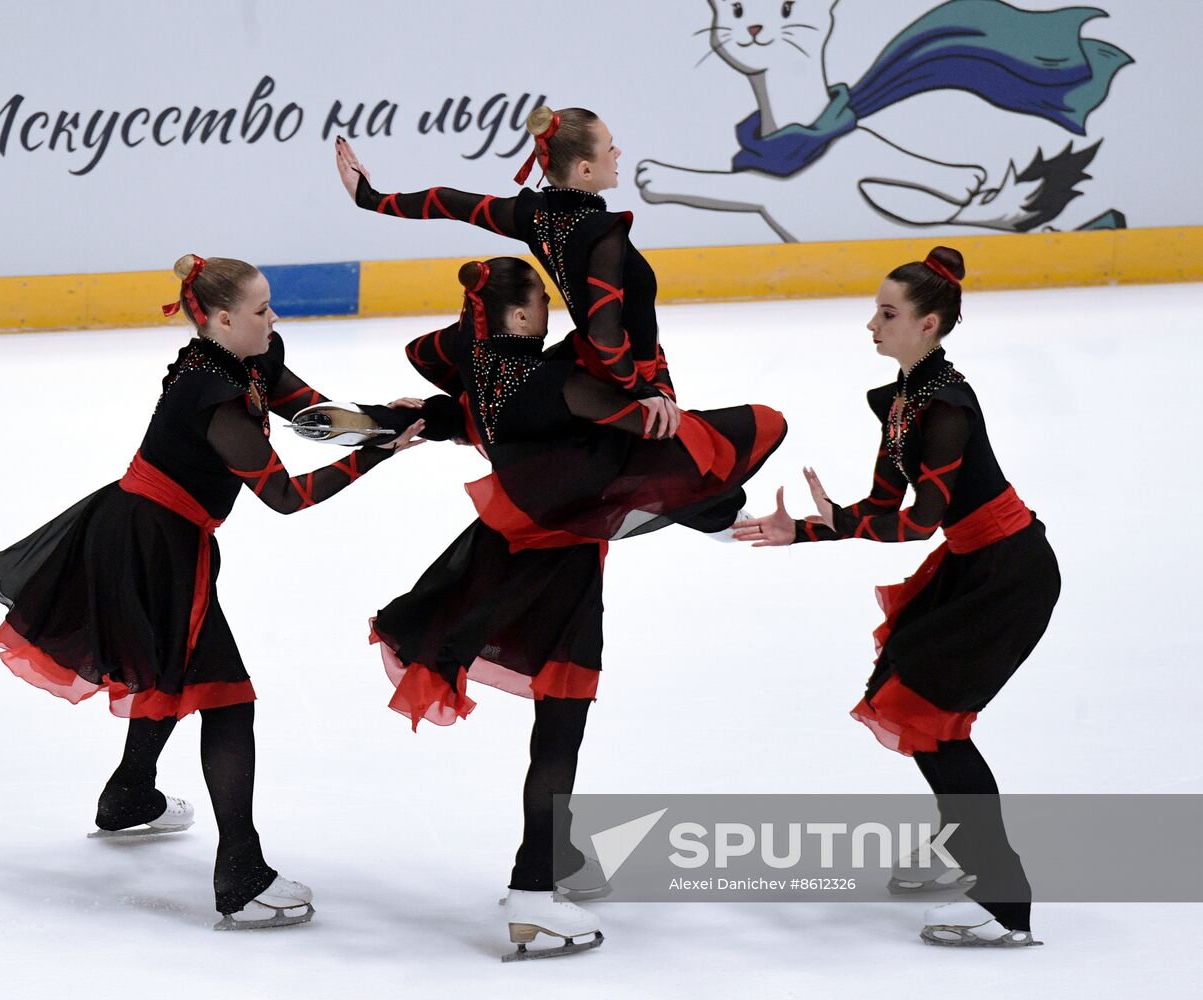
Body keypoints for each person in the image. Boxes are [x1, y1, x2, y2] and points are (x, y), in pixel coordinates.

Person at [0, 254, 423, 930]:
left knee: (168, 671)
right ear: (220, 319)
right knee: (225, 697)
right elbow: (286, 495)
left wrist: (383, 423)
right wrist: (376, 455)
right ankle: (241, 876)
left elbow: (311, 412)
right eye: (259, 310)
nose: (273, 318)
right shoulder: (210, 396)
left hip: (162, 537)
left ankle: (130, 795)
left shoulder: (249, 359)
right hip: (147, 545)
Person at [371, 257, 783, 960]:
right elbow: (636, 428)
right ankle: (534, 892)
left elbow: (445, 377)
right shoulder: (547, 382)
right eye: (540, 303)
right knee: (560, 725)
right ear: (523, 317)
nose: (551, 315)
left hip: (504, 553)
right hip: (553, 566)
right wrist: (651, 397)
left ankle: (546, 864)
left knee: (558, 726)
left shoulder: (485, 371)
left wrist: (415, 415)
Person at [734, 247, 1060, 947]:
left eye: (887, 313)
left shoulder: (946, 407)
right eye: (875, 311)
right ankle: (959, 849)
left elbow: (917, 521)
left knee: (932, 721)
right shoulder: (899, 399)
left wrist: (831, 526)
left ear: (929, 324)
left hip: (1007, 575)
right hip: (971, 567)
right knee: (918, 712)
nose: (871, 325)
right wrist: (808, 531)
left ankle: (1004, 904)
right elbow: (883, 503)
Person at [335, 107, 784, 539]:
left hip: (587, 361)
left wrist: (371, 200)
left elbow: (451, 202)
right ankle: (729, 521)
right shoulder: (601, 231)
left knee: (566, 438)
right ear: (585, 170)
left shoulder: (537, 215)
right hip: (620, 368)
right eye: (611, 147)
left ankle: (394, 421)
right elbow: (606, 328)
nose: (618, 155)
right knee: (691, 454)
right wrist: (640, 388)